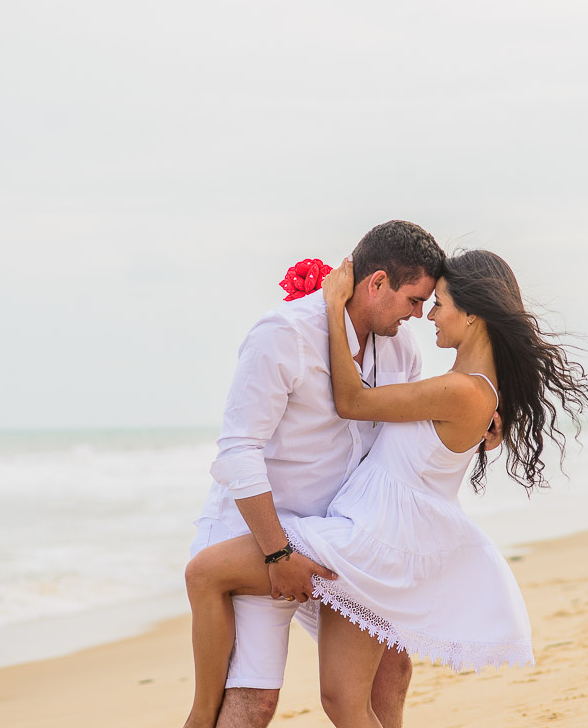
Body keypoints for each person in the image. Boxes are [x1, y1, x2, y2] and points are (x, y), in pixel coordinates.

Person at [184, 249, 588, 728]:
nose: (427, 316)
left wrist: (331, 306)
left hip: (368, 540)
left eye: (438, 303)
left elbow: (353, 401)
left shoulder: (464, 390)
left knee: (206, 574)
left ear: (472, 316)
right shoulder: (464, 388)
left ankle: (199, 715)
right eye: (422, 301)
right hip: (365, 533)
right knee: (348, 697)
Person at [188, 220, 453, 728]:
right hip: (260, 535)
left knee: (390, 667)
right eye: (414, 300)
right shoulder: (283, 334)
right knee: (253, 704)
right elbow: (238, 451)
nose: (419, 315)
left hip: (337, 540)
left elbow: (400, 440)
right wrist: (277, 551)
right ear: (377, 283)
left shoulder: (400, 348)